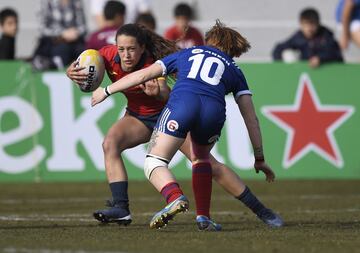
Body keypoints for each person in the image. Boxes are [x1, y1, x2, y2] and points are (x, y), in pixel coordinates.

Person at [90, 21, 283, 230]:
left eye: (131, 49)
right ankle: (233, 215)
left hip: (179, 108)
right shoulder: (234, 69)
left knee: (154, 162)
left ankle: (174, 197)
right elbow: (250, 118)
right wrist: (260, 158)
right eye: (122, 49)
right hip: (212, 112)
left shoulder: (187, 53)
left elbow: (143, 75)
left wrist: (107, 91)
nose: (126, 54)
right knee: (203, 160)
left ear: (209, 41)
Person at [272, 8, 343, 68]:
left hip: (329, 72)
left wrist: (320, 59)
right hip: (308, 73)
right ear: (301, 25)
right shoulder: (298, 37)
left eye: (312, 24)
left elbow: (334, 53)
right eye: (306, 25)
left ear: (318, 24)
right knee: (288, 54)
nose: (309, 29)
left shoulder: (326, 36)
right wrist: (280, 65)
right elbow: (278, 48)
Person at [32, 0, 87, 70]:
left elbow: (83, 27)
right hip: (53, 43)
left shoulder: (76, 2)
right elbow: (42, 28)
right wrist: (62, 34)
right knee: (62, 50)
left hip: (74, 43)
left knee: (84, 54)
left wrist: (75, 33)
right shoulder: (46, 2)